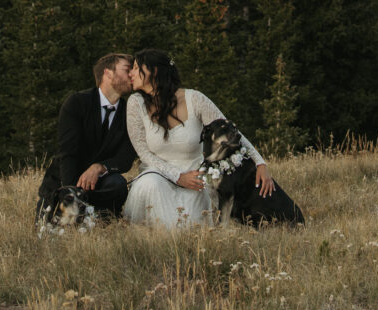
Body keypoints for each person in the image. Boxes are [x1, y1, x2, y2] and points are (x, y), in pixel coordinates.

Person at [123, 48, 303, 228]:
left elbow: (229, 131)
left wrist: (260, 162)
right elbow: (144, 153)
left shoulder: (194, 99)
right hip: (159, 173)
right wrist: (178, 177)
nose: (130, 73)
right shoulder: (135, 103)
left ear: (154, 71)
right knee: (149, 184)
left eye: (136, 68)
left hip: (196, 174)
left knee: (192, 218)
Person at [36, 53, 137, 220]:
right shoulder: (77, 103)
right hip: (65, 179)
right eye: (127, 70)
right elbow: (67, 152)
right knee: (52, 226)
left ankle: (98, 217)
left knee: (118, 184)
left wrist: (99, 167)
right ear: (108, 73)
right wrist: (71, 192)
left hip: (103, 186)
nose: (132, 75)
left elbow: (125, 158)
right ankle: (79, 210)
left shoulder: (130, 113)